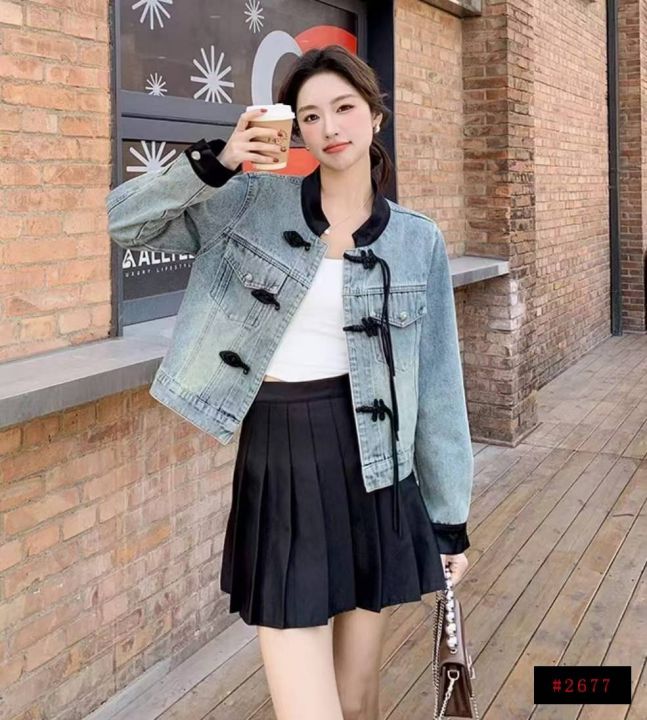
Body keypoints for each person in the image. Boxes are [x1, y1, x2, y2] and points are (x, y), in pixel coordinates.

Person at [107, 45, 474, 720]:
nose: (329, 126)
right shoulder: (248, 202)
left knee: (357, 701)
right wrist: (218, 163)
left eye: (344, 107)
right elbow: (125, 222)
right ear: (296, 130)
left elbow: (439, 388)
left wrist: (449, 520)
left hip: (377, 468)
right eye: (310, 115)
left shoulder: (415, 240)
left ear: (374, 115)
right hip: (281, 457)